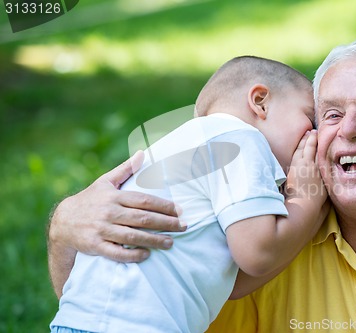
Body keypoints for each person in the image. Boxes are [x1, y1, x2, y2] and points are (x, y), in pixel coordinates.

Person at [48, 37, 356, 332]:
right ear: (259, 102)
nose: (348, 130)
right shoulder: (265, 225)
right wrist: (64, 229)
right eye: (328, 116)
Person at [49, 56, 328, 333]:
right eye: (309, 118)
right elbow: (258, 253)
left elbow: (234, 283)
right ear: (260, 101)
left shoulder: (192, 147)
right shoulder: (240, 139)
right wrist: (305, 197)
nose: (314, 133)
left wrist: (310, 221)